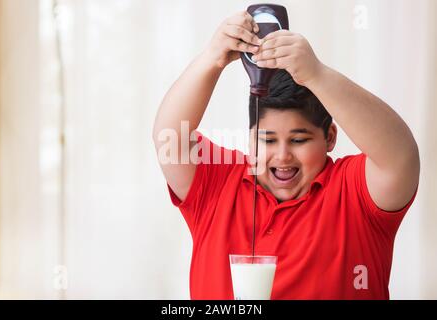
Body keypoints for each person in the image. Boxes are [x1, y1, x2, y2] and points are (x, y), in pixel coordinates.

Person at [152, 11, 420, 299]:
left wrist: (317, 75)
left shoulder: (353, 192)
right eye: (267, 139)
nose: (282, 156)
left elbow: (399, 158)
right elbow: (169, 139)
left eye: (298, 140)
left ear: (329, 137)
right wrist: (212, 58)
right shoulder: (220, 184)